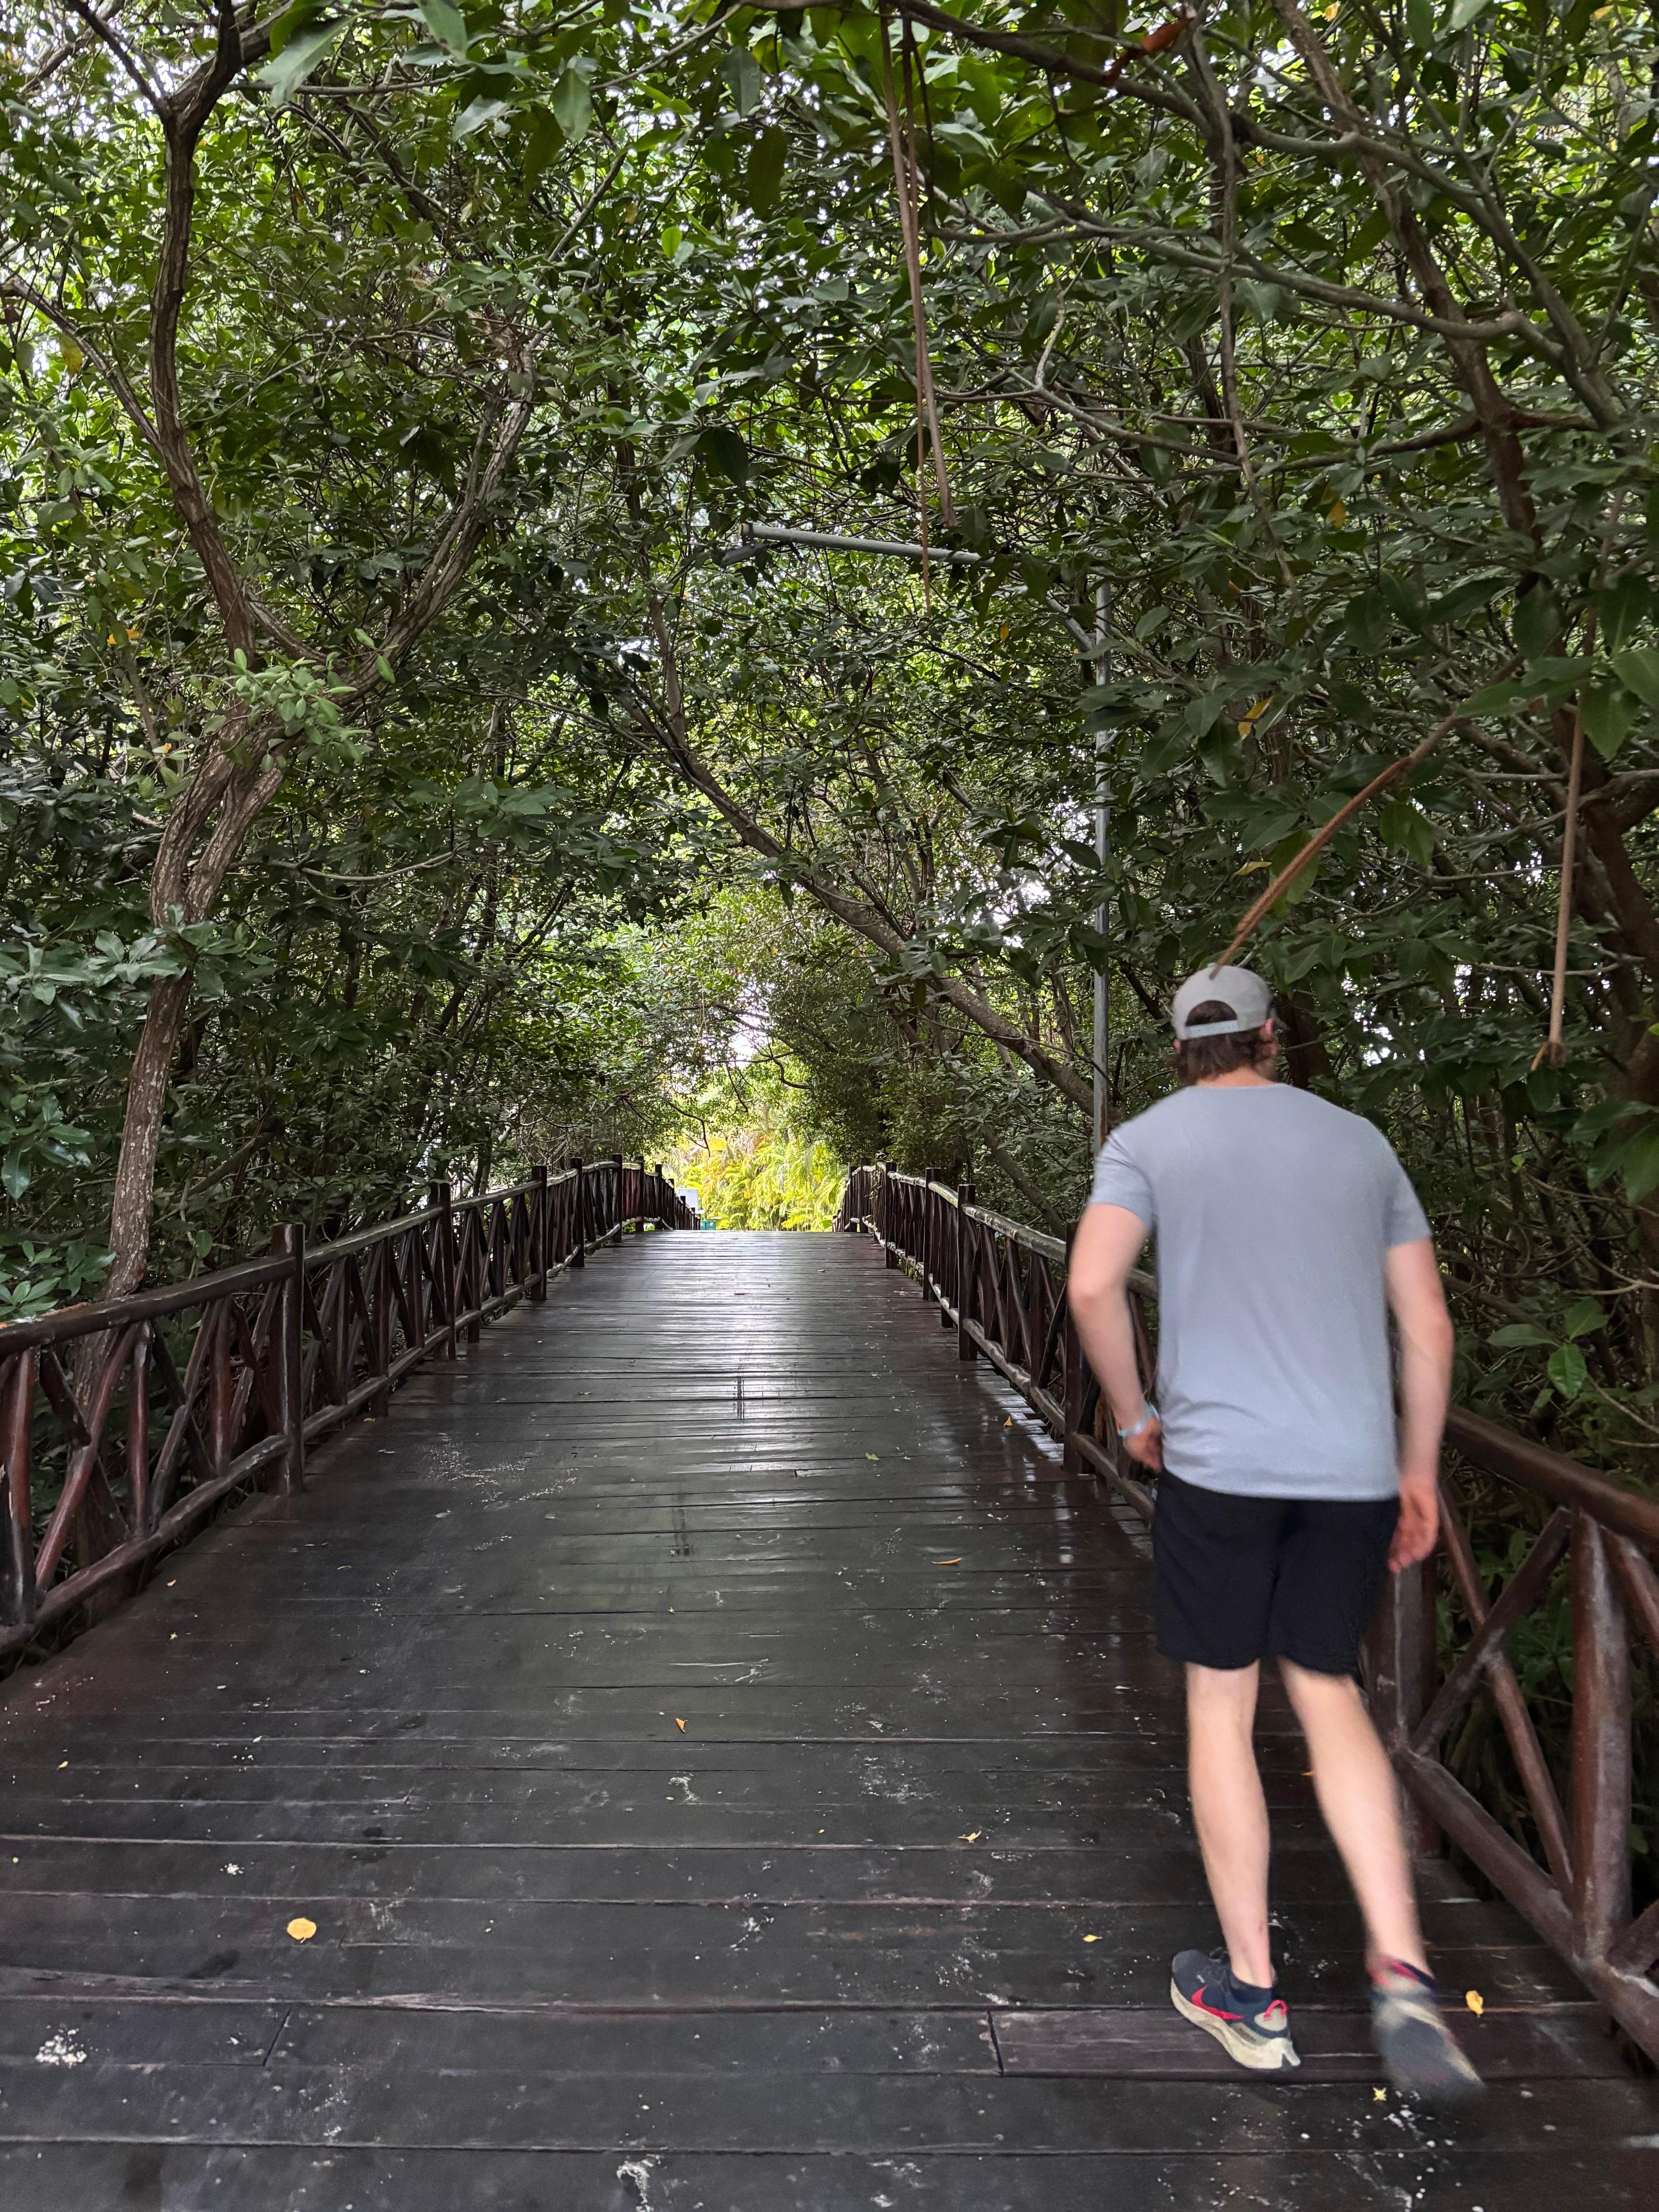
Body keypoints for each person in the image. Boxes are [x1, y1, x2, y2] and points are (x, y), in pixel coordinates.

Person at [1067, 965, 1481, 2103]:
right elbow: (1427, 1325)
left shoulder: (1148, 1142)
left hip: (1219, 1465)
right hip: (1347, 1470)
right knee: (1329, 1691)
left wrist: (1134, 1412)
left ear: (1177, 1049)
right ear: (1269, 1039)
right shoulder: (1358, 1144)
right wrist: (1416, 1470)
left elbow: (1094, 1286)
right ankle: (1398, 1964)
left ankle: (1249, 1993)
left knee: (1220, 1700)